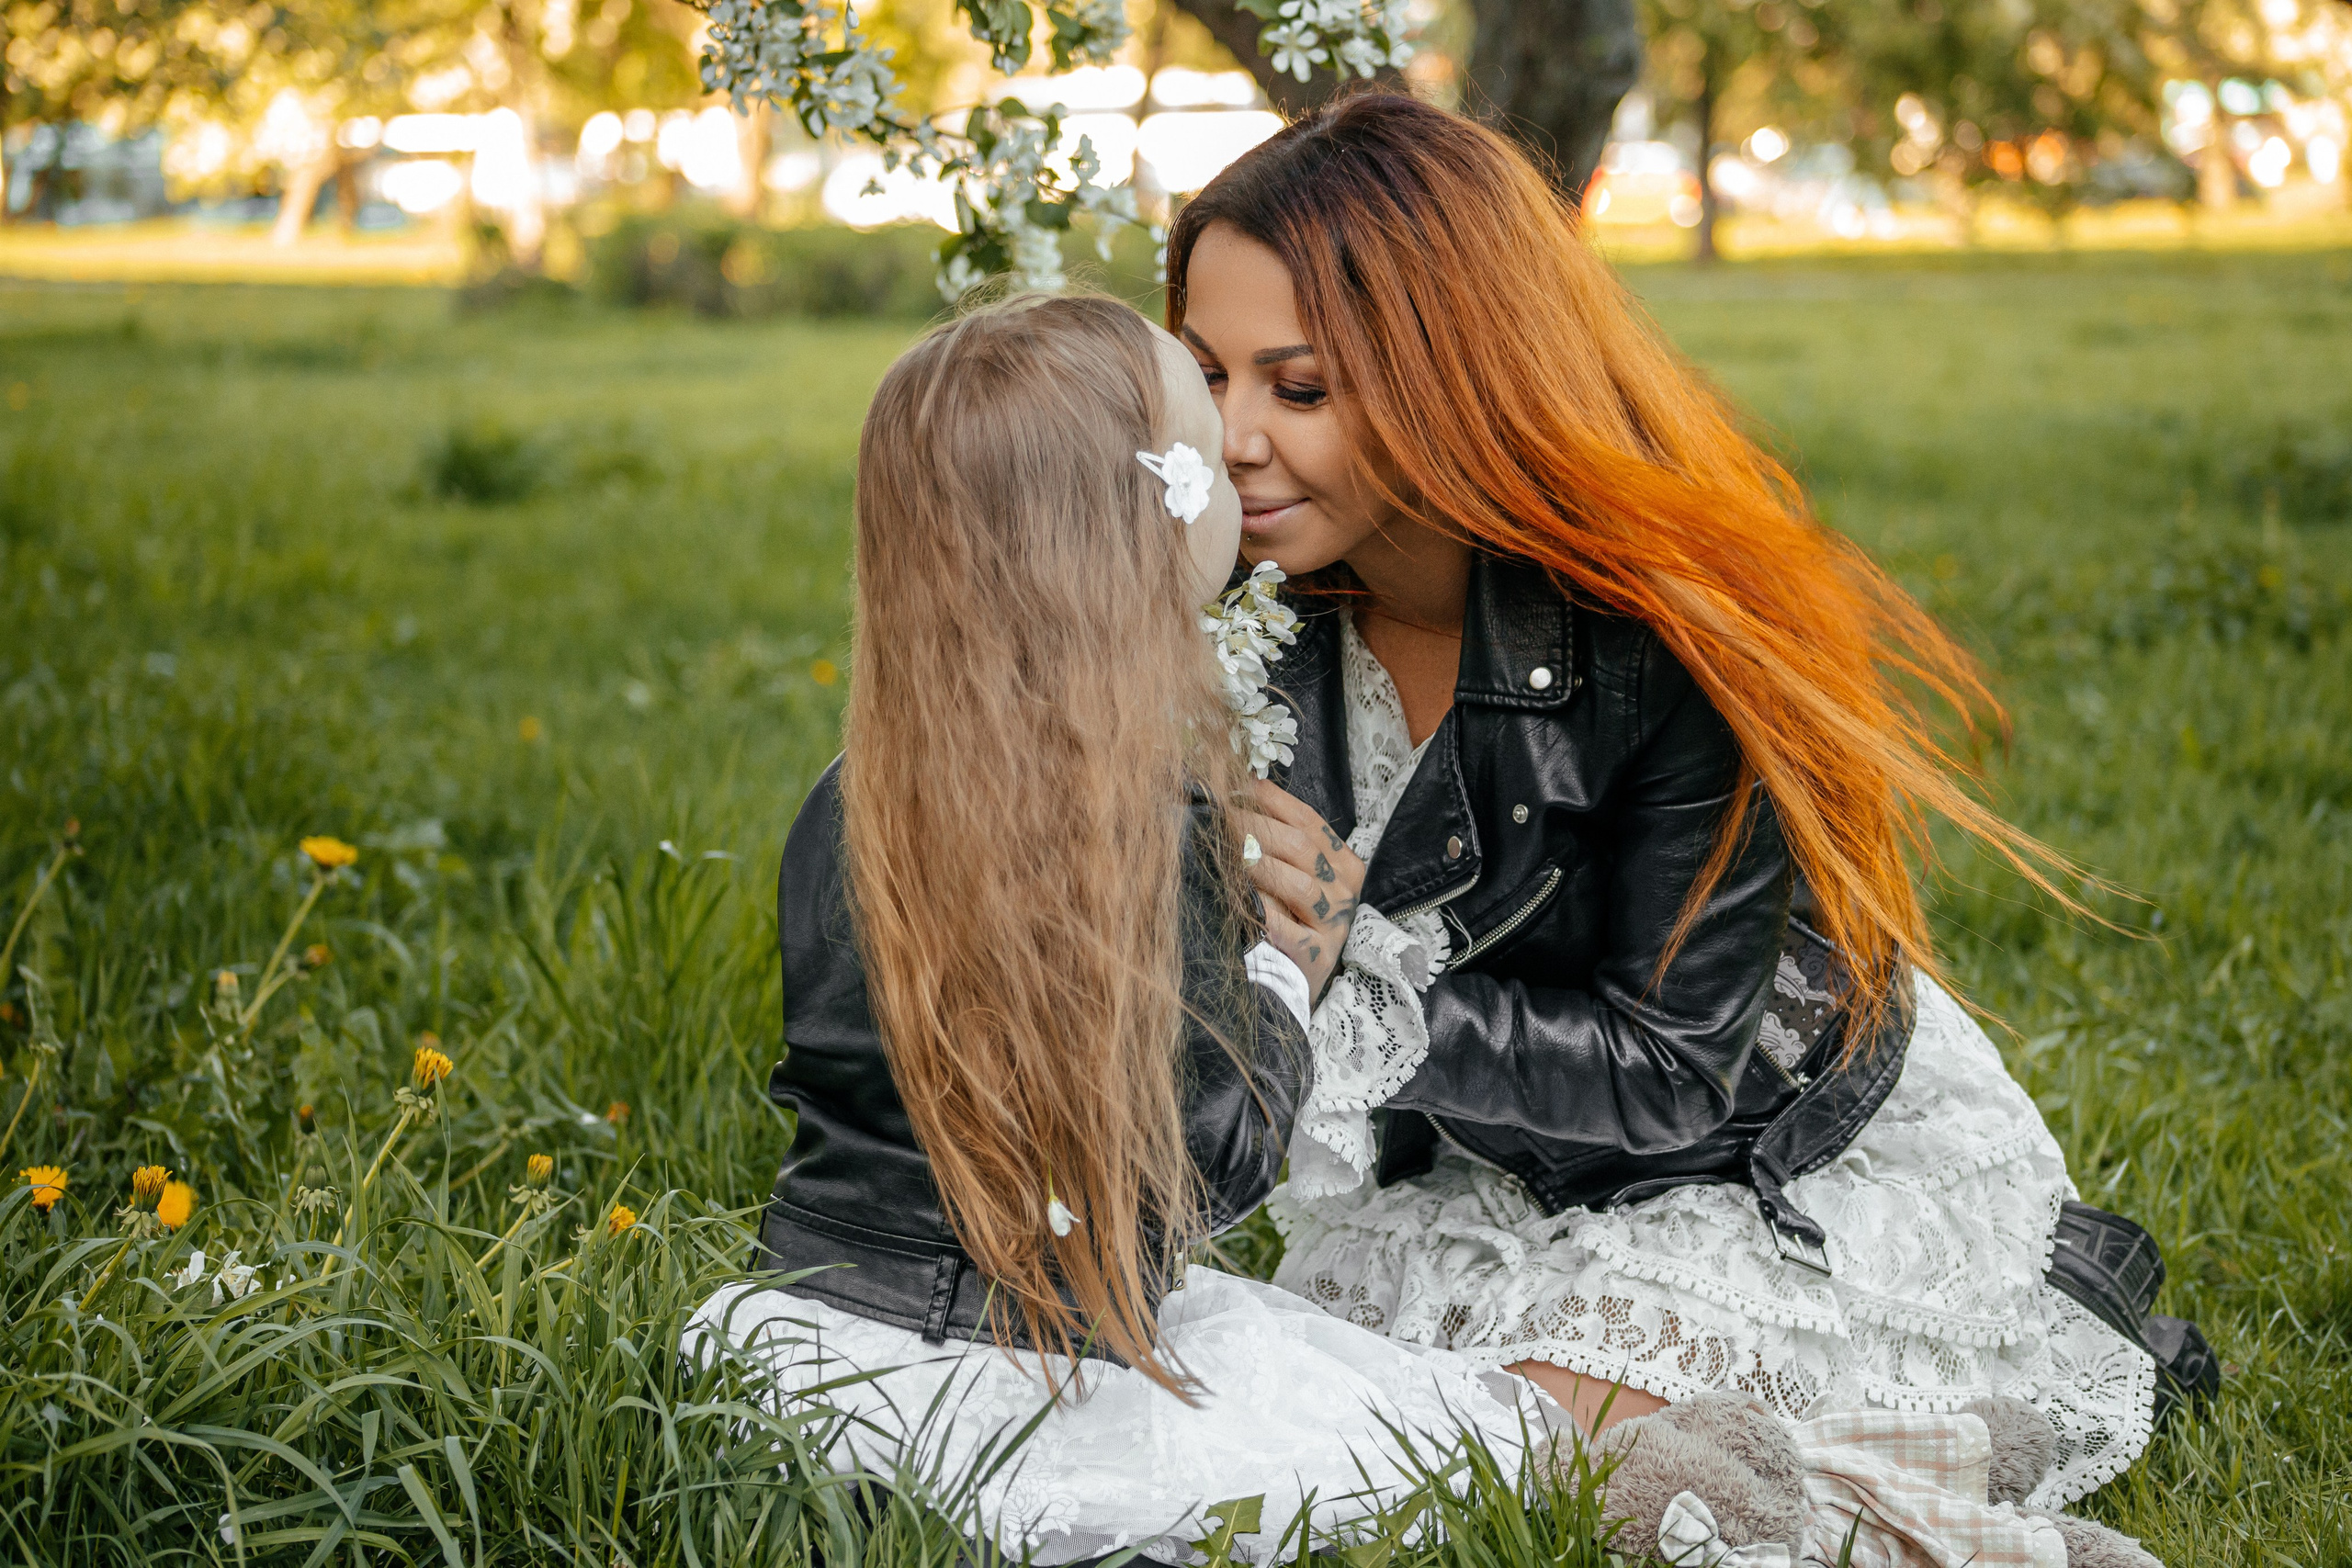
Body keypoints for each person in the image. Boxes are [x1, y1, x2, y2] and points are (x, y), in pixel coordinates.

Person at [1177, 91, 2211, 1509]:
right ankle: (1853, 1466)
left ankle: (1899, 1471)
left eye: (1297, 389)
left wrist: (1350, 961)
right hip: (1481, 1170)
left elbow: (1672, 1074)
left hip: (1744, 1162)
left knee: (1488, 1448)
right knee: (1315, 1401)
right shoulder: (1245, 625)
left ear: (1450, 372)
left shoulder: (1662, 647)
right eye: (1205, 376)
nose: (1234, 439)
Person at [687, 293, 1556, 1566]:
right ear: (1145, 521)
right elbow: (1203, 1162)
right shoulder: (1149, 816)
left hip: (821, 1330)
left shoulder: (856, 794)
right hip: (1035, 1371)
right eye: (1206, 433)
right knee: (1459, 1444)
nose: (1243, 460)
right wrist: (1284, 973)